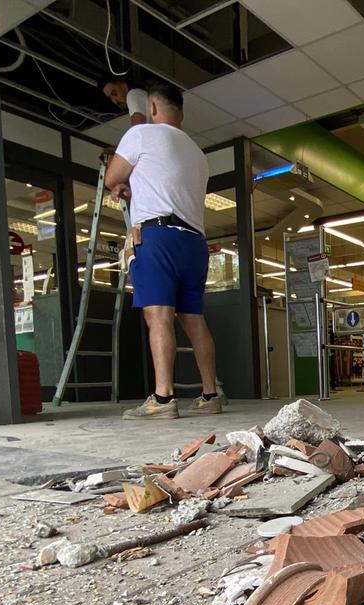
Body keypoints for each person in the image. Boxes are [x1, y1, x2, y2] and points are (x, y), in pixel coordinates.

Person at [105, 83, 220, 419]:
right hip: (194, 243)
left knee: (158, 317)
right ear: (179, 114)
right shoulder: (198, 154)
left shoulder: (141, 134)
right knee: (194, 320)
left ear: (152, 108)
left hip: (157, 237)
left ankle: (163, 398)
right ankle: (210, 395)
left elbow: (114, 175)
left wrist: (122, 183)